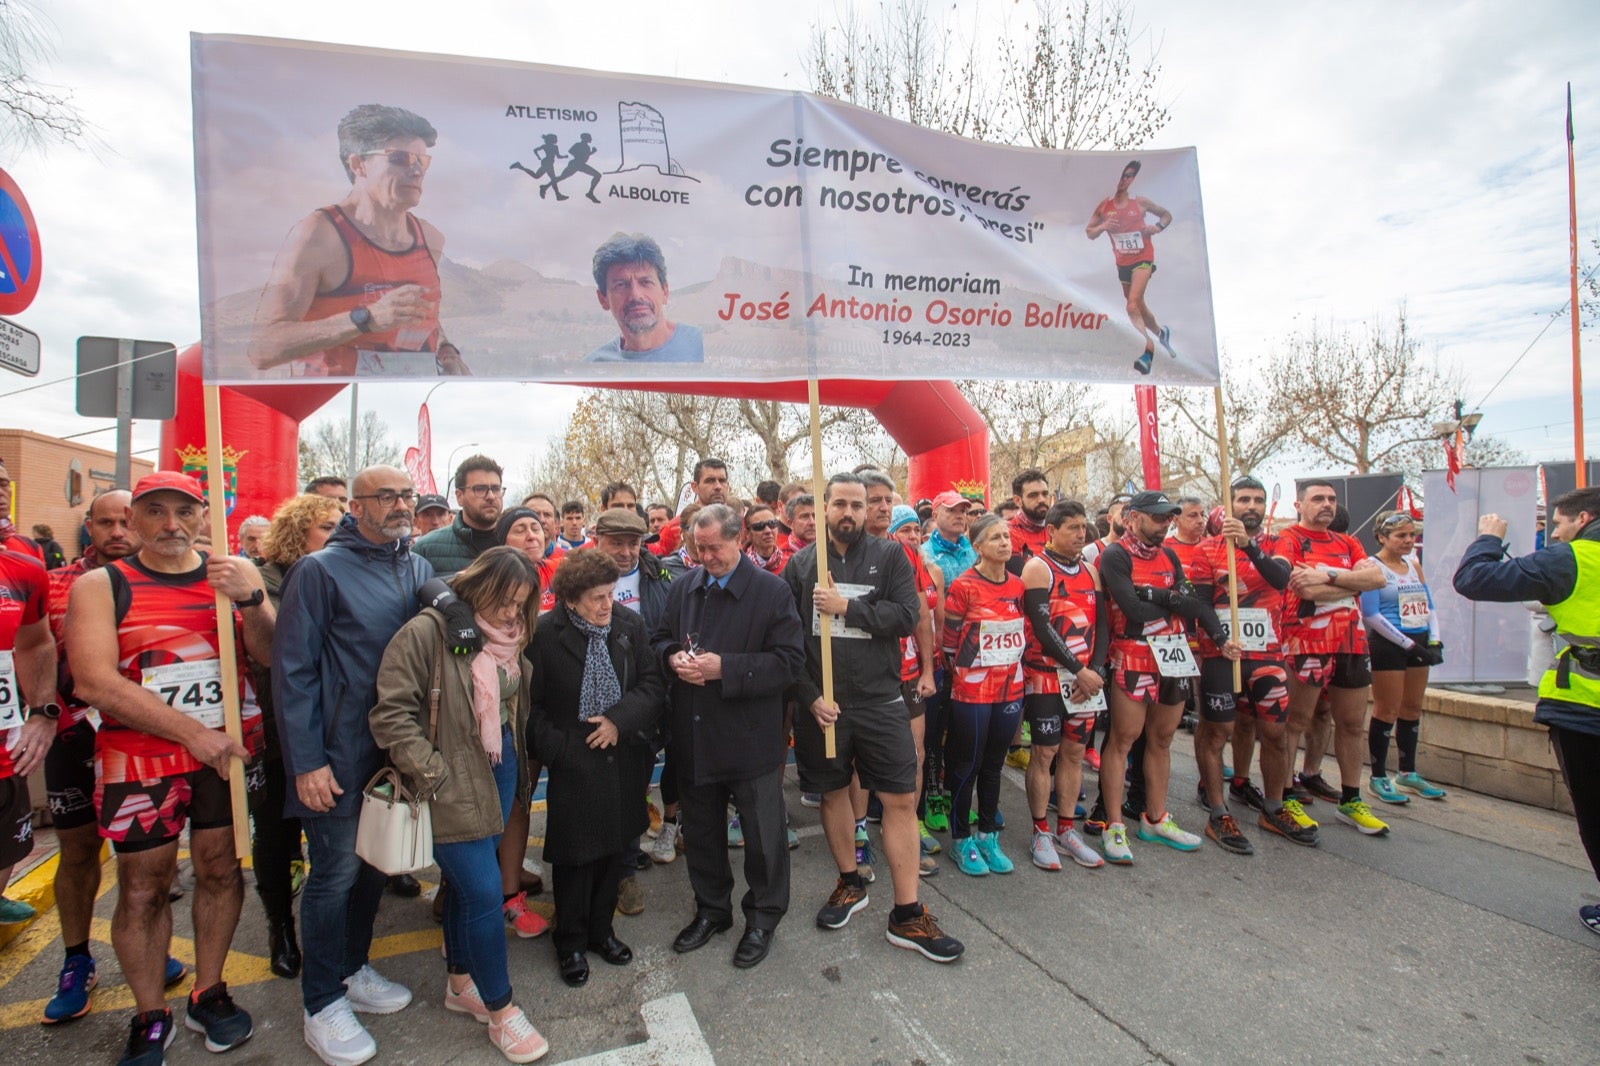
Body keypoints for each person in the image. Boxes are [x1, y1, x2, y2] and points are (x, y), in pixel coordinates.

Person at [65, 472, 271, 1064]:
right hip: (141, 759)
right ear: (133, 520)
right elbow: (94, 681)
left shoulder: (232, 572)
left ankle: (210, 991)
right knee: (143, 888)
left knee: (221, 871)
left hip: (225, 755)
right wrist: (192, 735)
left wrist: (252, 599)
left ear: (204, 516)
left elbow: (270, 652)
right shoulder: (101, 585)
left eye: (185, 511)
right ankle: (150, 1013)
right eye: (155, 511)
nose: (171, 524)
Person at [274, 466, 436, 1066]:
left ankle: (352, 967)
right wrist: (307, 762)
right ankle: (321, 1002)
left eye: (406, 495)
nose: (400, 505)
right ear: (357, 507)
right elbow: (293, 672)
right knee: (335, 873)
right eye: (386, 496)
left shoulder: (416, 566)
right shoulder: (317, 571)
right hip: (337, 753)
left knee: (374, 865)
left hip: (393, 750)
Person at [369, 548, 549, 1062]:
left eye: (520, 602)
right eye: (503, 599)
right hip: (449, 780)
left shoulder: (513, 634)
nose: (511, 612)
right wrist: (433, 771)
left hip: (498, 769)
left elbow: (511, 703)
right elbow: (391, 714)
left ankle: (459, 981)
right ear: (476, 586)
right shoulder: (427, 632)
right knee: (485, 892)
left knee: (467, 890)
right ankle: (502, 1012)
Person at [784, 473, 963, 963]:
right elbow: (787, 641)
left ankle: (907, 914)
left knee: (900, 798)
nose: (849, 512)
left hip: (881, 700)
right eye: (840, 503)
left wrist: (847, 606)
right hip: (824, 706)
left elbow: (905, 617)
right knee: (833, 792)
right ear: (824, 507)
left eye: (857, 505)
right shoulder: (801, 565)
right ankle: (850, 883)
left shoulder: (890, 557)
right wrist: (809, 697)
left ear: (867, 510)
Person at [44, 491, 195, 1022]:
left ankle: (150, 953)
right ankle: (76, 958)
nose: (115, 532)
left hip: (146, 743)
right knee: (78, 852)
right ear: (88, 526)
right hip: (73, 738)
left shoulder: (177, 577)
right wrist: (41, 713)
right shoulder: (59, 582)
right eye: (103, 522)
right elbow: (33, 651)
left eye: (121, 522)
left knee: (144, 871)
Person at [653, 505, 804, 968]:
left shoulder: (771, 592)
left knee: (763, 837)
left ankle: (763, 918)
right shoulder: (684, 587)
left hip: (750, 738)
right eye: (698, 548)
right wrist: (672, 657)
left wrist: (727, 669)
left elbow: (790, 663)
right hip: (695, 733)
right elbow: (658, 639)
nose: (705, 557)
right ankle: (712, 910)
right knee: (701, 833)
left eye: (714, 548)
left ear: (739, 539)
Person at [1453, 490, 1600, 936]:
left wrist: (1488, 538)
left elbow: (1473, 579)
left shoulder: (1573, 559)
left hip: (1587, 709)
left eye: (1559, 524)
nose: (1555, 533)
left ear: (1583, 518)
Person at [525, 550, 665, 987]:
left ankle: (602, 932)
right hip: (574, 761)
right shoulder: (545, 634)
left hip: (622, 756)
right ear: (570, 599)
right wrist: (563, 750)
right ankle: (569, 942)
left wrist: (618, 721)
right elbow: (530, 707)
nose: (607, 605)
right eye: (596, 598)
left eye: (610, 594)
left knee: (614, 852)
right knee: (576, 858)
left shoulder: (628, 625)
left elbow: (651, 684)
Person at [249, 104, 469, 377]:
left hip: (410, 395)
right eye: (400, 159)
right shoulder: (320, 235)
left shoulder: (430, 238)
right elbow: (263, 347)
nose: (416, 171)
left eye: (422, 161)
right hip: (339, 398)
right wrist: (366, 318)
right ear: (358, 164)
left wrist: (447, 352)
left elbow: (420, 316)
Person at [1097, 491, 1239, 863]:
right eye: (1158, 517)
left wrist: (1156, 594)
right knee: (1123, 739)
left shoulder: (1170, 555)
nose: (1165, 524)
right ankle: (1113, 825)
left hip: (1173, 654)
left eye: (1168, 518)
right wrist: (1172, 600)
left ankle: (1156, 818)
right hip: (1133, 653)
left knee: (1162, 739)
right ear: (1133, 518)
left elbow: (1194, 605)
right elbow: (1133, 609)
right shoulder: (1115, 555)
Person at [250, 494, 344, 979]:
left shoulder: (343, 573)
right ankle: (280, 926)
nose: (336, 534)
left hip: (333, 724)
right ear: (295, 533)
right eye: (326, 526)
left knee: (335, 840)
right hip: (276, 726)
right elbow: (274, 649)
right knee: (277, 835)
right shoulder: (263, 580)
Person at [1186, 479, 1299, 854]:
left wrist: (1249, 546)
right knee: (1217, 732)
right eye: (1244, 499)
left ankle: (1274, 807)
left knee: (1275, 733)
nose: (1252, 506)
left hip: (1267, 657)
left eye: (1258, 500)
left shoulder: (1278, 544)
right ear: (1230, 505)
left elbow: (1280, 579)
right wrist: (1221, 639)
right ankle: (1218, 812)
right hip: (1223, 655)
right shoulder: (1207, 550)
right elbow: (1201, 604)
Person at [1273, 480, 1390, 836]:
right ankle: (1286, 795)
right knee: (1296, 721)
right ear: (1299, 505)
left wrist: (1326, 575)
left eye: (1332, 499)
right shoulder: (1290, 539)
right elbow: (1302, 588)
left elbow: (1378, 578)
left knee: (1352, 723)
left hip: (1351, 642)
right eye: (1318, 498)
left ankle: (1351, 800)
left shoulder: (1347, 542)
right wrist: (1352, 582)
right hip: (1306, 642)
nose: (1327, 504)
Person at [1019, 501, 1108, 871]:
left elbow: (1102, 624)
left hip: (1084, 679)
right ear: (1051, 531)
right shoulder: (1038, 568)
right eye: (1072, 527)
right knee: (1045, 753)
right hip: (1046, 675)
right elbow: (1042, 628)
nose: (1080, 534)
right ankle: (1040, 830)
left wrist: (1095, 669)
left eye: (1083, 527)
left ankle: (1066, 829)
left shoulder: (1090, 570)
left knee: (1074, 753)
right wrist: (1077, 669)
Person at [592, 507, 670, 914]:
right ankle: (589, 873)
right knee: (590, 794)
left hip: (643, 701)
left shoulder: (660, 577)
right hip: (592, 705)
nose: (625, 552)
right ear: (597, 541)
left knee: (633, 790)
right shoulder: (578, 578)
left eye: (633, 543)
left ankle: (624, 873)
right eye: (616, 543)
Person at [941, 514, 1027, 876]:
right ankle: (961, 839)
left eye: (1006, 536)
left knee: (994, 765)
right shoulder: (963, 586)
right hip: (973, 690)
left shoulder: (1018, 586)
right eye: (995, 538)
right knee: (968, 765)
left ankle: (988, 834)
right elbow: (949, 642)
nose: (1005, 543)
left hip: (1010, 688)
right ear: (977, 547)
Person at [0, 460, 59, 928]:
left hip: (5, 745)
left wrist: (42, 711)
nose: (1, 492)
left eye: (3, 483)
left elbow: (36, 641)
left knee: (6, 848)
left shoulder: (24, 565)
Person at [1361, 511, 1447, 805]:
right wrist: (1407, 644)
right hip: (1389, 643)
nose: (1409, 540)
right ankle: (1378, 777)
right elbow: (1370, 614)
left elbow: (1429, 604)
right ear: (1382, 537)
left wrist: (1434, 639)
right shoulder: (1372, 567)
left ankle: (1407, 772)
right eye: (1401, 536)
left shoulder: (1413, 565)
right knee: (1387, 709)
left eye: (1412, 535)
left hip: (1418, 639)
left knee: (1412, 707)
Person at [1085, 159, 1176, 375]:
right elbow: (1089, 232)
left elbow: (1167, 215)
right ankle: (1161, 334)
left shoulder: (1140, 203)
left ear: (1132, 180)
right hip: (1123, 264)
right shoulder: (1104, 206)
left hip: (1143, 258)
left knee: (1131, 305)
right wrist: (1103, 226)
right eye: (1121, 176)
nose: (1123, 180)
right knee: (1138, 306)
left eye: (1128, 176)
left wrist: (1157, 227)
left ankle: (1148, 351)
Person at [583, 232, 704, 364]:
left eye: (645, 282)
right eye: (621, 285)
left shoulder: (700, 347)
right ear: (603, 299)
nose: (635, 295)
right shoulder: (593, 367)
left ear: (665, 291)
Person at [414, 456, 506, 578]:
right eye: (480, 489)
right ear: (459, 496)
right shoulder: (426, 549)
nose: (491, 496)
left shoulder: (517, 543)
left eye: (496, 489)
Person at [921, 491, 976, 582]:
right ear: (935, 516)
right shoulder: (924, 555)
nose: (959, 516)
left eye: (962, 511)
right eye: (951, 510)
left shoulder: (974, 551)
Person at [1006, 469, 1053, 568]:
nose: (1041, 500)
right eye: (1033, 495)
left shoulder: (1058, 530)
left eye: (1045, 494)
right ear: (1017, 500)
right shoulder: (1007, 534)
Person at [743, 504, 786, 574]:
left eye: (772, 523)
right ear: (747, 533)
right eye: (759, 526)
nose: (768, 531)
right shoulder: (741, 567)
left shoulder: (790, 564)